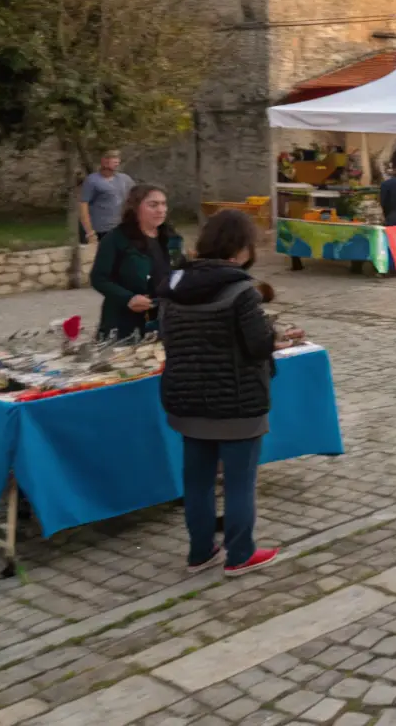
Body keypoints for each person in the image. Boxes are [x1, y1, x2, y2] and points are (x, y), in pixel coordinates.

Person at [158, 209, 300, 577]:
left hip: (188, 400)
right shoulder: (241, 291)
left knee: (198, 482)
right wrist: (274, 337)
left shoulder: (174, 287)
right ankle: (240, 553)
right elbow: (255, 345)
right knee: (239, 483)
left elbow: (169, 339)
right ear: (241, 248)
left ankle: (201, 551)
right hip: (236, 402)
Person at [90, 183, 181, 340]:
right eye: (153, 205)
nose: (161, 210)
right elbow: (99, 278)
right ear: (136, 207)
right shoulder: (116, 238)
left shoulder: (171, 237)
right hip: (124, 322)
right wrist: (128, 298)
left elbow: (180, 271)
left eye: (163, 204)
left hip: (164, 320)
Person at [79, 149, 135, 242]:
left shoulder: (125, 179)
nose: (117, 161)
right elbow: (83, 206)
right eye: (113, 158)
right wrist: (89, 232)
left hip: (121, 228)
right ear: (104, 161)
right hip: (101, 230)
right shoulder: (92, 180)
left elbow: (136, 197)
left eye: (117, 158)